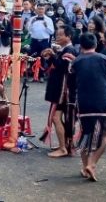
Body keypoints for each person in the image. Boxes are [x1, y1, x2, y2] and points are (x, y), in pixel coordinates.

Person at [67, 33, 106, 182]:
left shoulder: (75, 62)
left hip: (84, 102)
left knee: (86, 133)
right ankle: (92, 164)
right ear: (96, 44)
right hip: (104, 101)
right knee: (104, 135)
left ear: (81, 45)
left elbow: (70, 85)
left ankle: (85, 166)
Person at [39, 24, 77, 157]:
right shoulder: (64, 49)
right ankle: (64, 145)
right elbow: (55, 65)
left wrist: (53, 55)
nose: (57, 37)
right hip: (60, 90)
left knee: (56, 118)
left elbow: (63, 68)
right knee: (58, 118)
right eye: (57, 35)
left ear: (68, 36)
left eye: (60, 35)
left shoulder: (70, 50)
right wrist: (50, 57)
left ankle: (63, 148)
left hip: (63, 91)